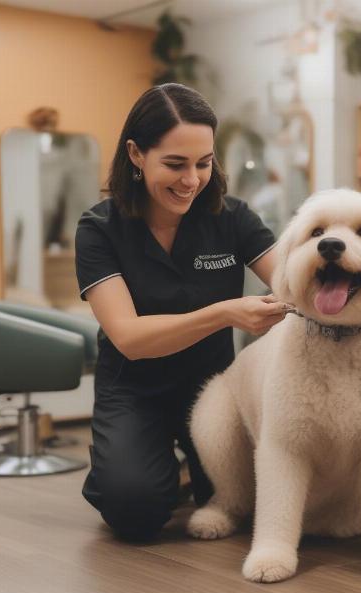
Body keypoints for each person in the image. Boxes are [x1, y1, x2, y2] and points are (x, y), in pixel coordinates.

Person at [75, 83, 290, 542]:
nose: (191, 179)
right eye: (175, 164)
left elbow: (293, 284)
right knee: (134, 511)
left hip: (214, 390)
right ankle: (138, 463)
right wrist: (226, 313)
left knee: (247, 505)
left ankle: (186, 472)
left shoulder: (232, 218)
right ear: (136, 154)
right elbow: (129, 337)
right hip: (135, 389)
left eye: (204, 162)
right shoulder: (99, 229)